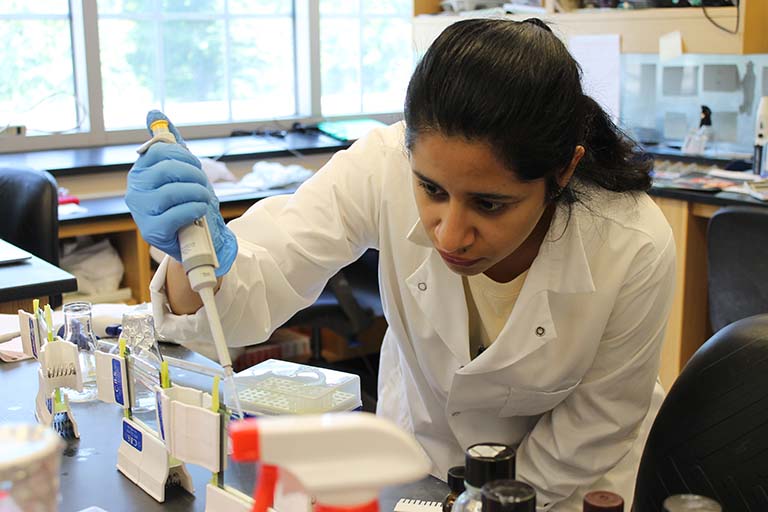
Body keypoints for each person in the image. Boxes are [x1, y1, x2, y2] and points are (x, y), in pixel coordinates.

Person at [126, 18, 675, 511]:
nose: (451, 234)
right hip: (419, 470)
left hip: (567, 490)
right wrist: (188, 259)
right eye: (430, 189)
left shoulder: (632, 243)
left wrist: (484, 506)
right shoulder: (382, 165)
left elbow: (594, 426)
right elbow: (257, 288)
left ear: (562, 171)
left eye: (490, 204)